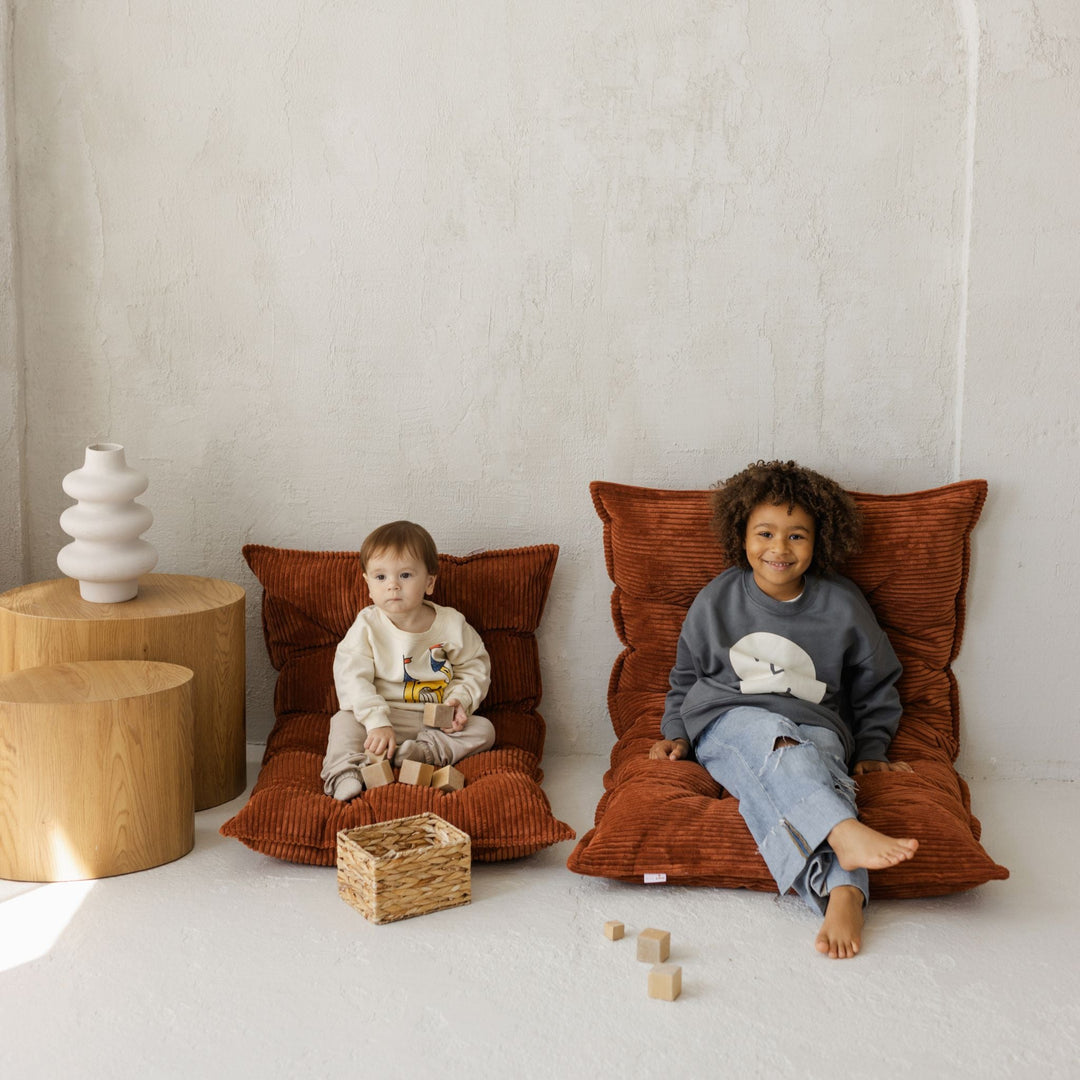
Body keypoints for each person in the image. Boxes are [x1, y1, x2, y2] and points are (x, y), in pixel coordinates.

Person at [649, 460, 918, 959]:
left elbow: (878, 682)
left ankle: (843, 893)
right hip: (730, 719)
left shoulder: (842, 604)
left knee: (815, 770)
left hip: (818, 725)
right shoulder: (716, 600)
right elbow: (685, 677)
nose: (779, 548)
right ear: (742, 535)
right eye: (766, 533)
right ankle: (843, 834)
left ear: (819, 541)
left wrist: (875, 745)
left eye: (797, 536)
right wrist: (675, 731)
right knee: (772, 734)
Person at [321, 520, 496, 801]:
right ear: (367, 584)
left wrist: (459, 701)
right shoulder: (367, 625)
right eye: (380, 577)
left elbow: (474, 667)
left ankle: (419, 754)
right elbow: (351, 677)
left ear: (429, 582)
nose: (392, 585)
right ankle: (343, 772)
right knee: (342, 721)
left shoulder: (451, 623)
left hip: (431, 721)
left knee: (484, 730)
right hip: (380, 714)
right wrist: (376, 721)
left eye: (404, 575)